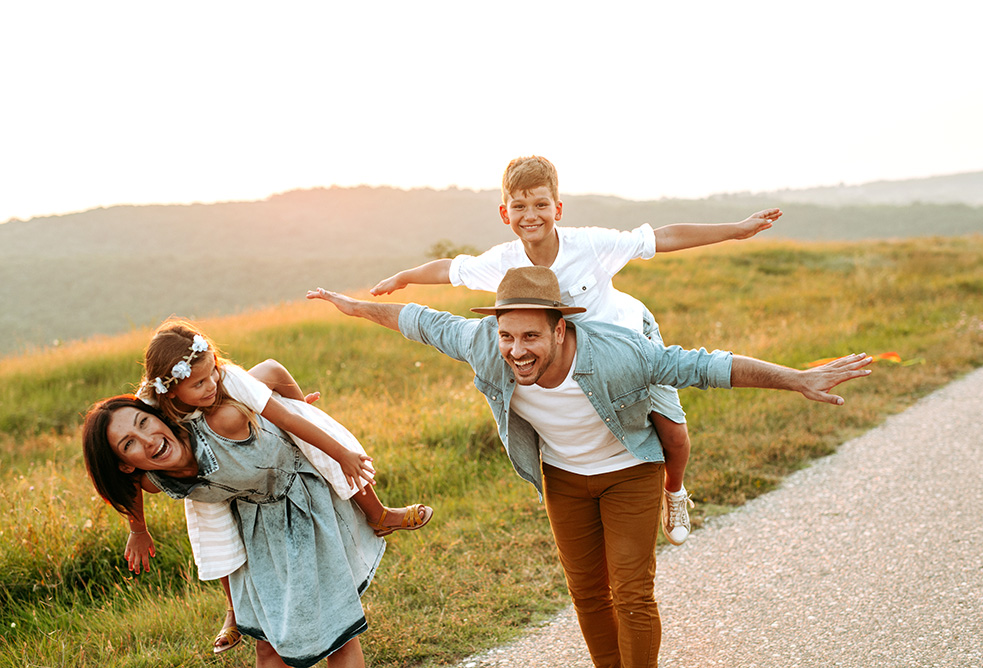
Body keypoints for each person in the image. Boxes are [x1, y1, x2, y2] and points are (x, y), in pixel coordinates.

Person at [307, 266, 872, 668]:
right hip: (563, 479)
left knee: (630, 589)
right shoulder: (483, 342)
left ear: (560, 328)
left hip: (630, 470)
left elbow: (705, 365)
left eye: (530, 336)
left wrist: (796, 378)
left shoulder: (619, 353)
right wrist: (355, 307)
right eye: (507, 336)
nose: (516, 350)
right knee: (586, 591)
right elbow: (416, 318)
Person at [371, 155, 781, 546]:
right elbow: (448, 269)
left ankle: (674, 492)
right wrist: (403, 277)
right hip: (568, 361)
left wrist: (736, 229)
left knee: (672, 432)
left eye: (540, 204)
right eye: (519, 206)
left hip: (629, 343)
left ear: (558, 208)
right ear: (505, 213)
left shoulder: (590, 245)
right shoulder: (504, 261)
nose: (530, 215)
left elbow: (663, 236)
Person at [126, 319, 432, 655]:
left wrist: (302, 409)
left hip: (265, 454)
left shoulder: (229, 380)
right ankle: (233, 613)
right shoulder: (150, 407)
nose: (211, 383)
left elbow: (282, 401)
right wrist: (138, 529)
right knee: (214, 534)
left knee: (319, 441)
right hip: (213, 481)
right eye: (199, 383)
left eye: (211, 371)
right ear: (170, 391)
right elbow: (128, 475)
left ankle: (378, 513)